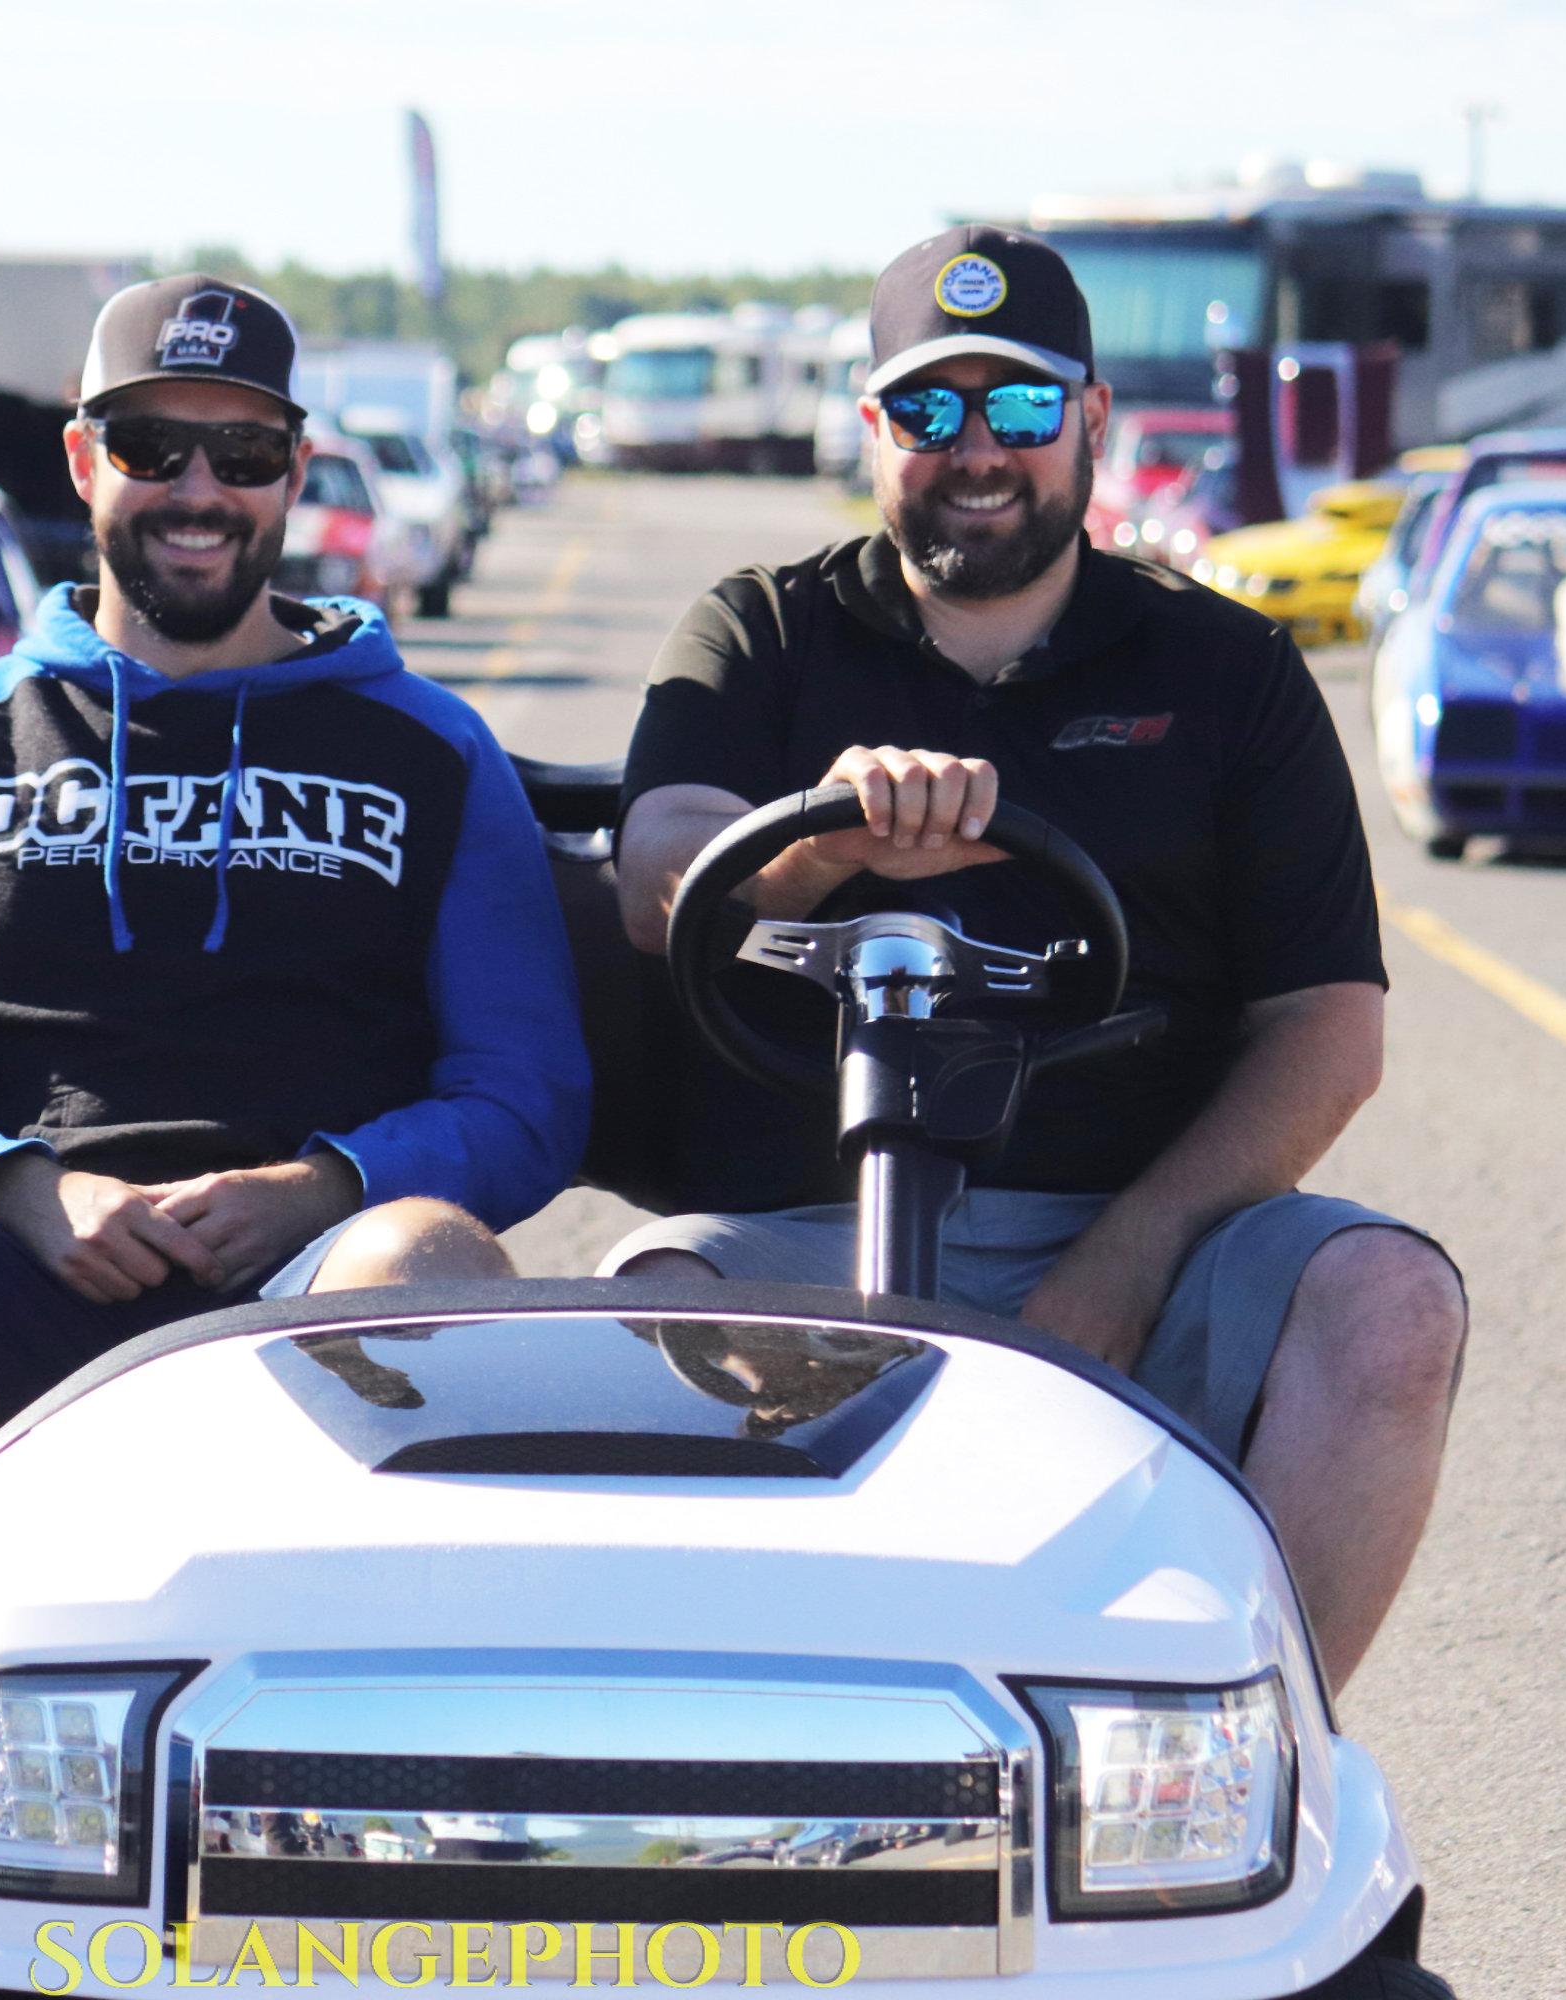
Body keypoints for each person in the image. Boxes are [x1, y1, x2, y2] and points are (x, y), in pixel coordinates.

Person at [0, 275, 587, 1753]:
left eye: (242, 457)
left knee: (427, 1257)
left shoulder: (430, 750)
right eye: (154, 447)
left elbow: (529, 1094)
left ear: (294, 477)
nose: (198, 490)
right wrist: (21, 1186)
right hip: (29, 1262)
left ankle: (361, 1798)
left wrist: (321, 1184)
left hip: (309, 1275)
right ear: (81, 461)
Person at [604, 226, 1466, 1692]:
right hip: (799, 1233)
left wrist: (1124, 1263)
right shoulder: (761, 632)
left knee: (1391, 1304)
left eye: (1019, 408)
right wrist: (828, 843)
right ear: (875, 428)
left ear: (1092, 423)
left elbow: (1331, 1027)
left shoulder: (1227, 672)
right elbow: (657, 868)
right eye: (932, 412)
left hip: (1145, 1223)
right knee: (643, 1310)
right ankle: (729, 1776)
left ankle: (1257, 1765)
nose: (978, 451)